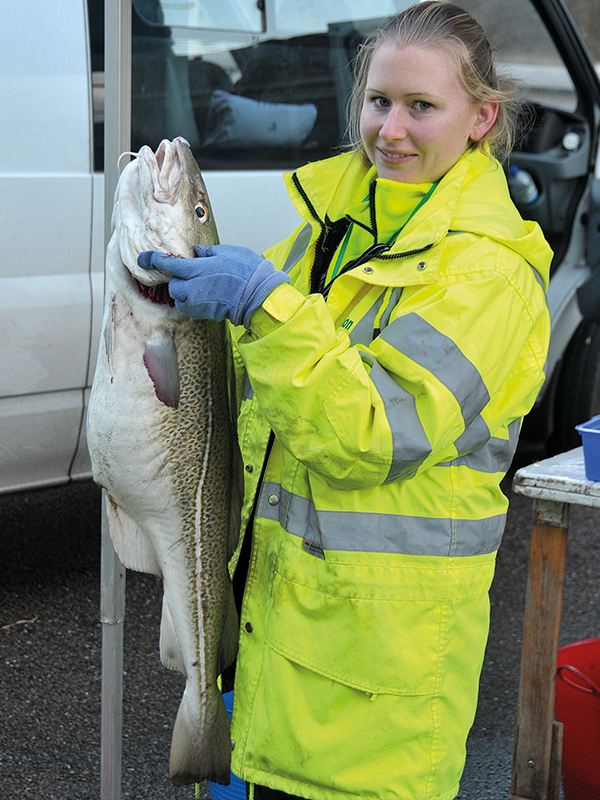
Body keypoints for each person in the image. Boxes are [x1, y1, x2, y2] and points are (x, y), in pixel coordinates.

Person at [138, 2, 552, 798]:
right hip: (269, 653)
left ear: (481, 118)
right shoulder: (329, 229)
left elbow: (370, 432)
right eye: (379, 101)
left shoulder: (491, 278)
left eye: (422, 107)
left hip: (373, 699)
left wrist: (266, 305)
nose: (391, 129)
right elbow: (266, 408)